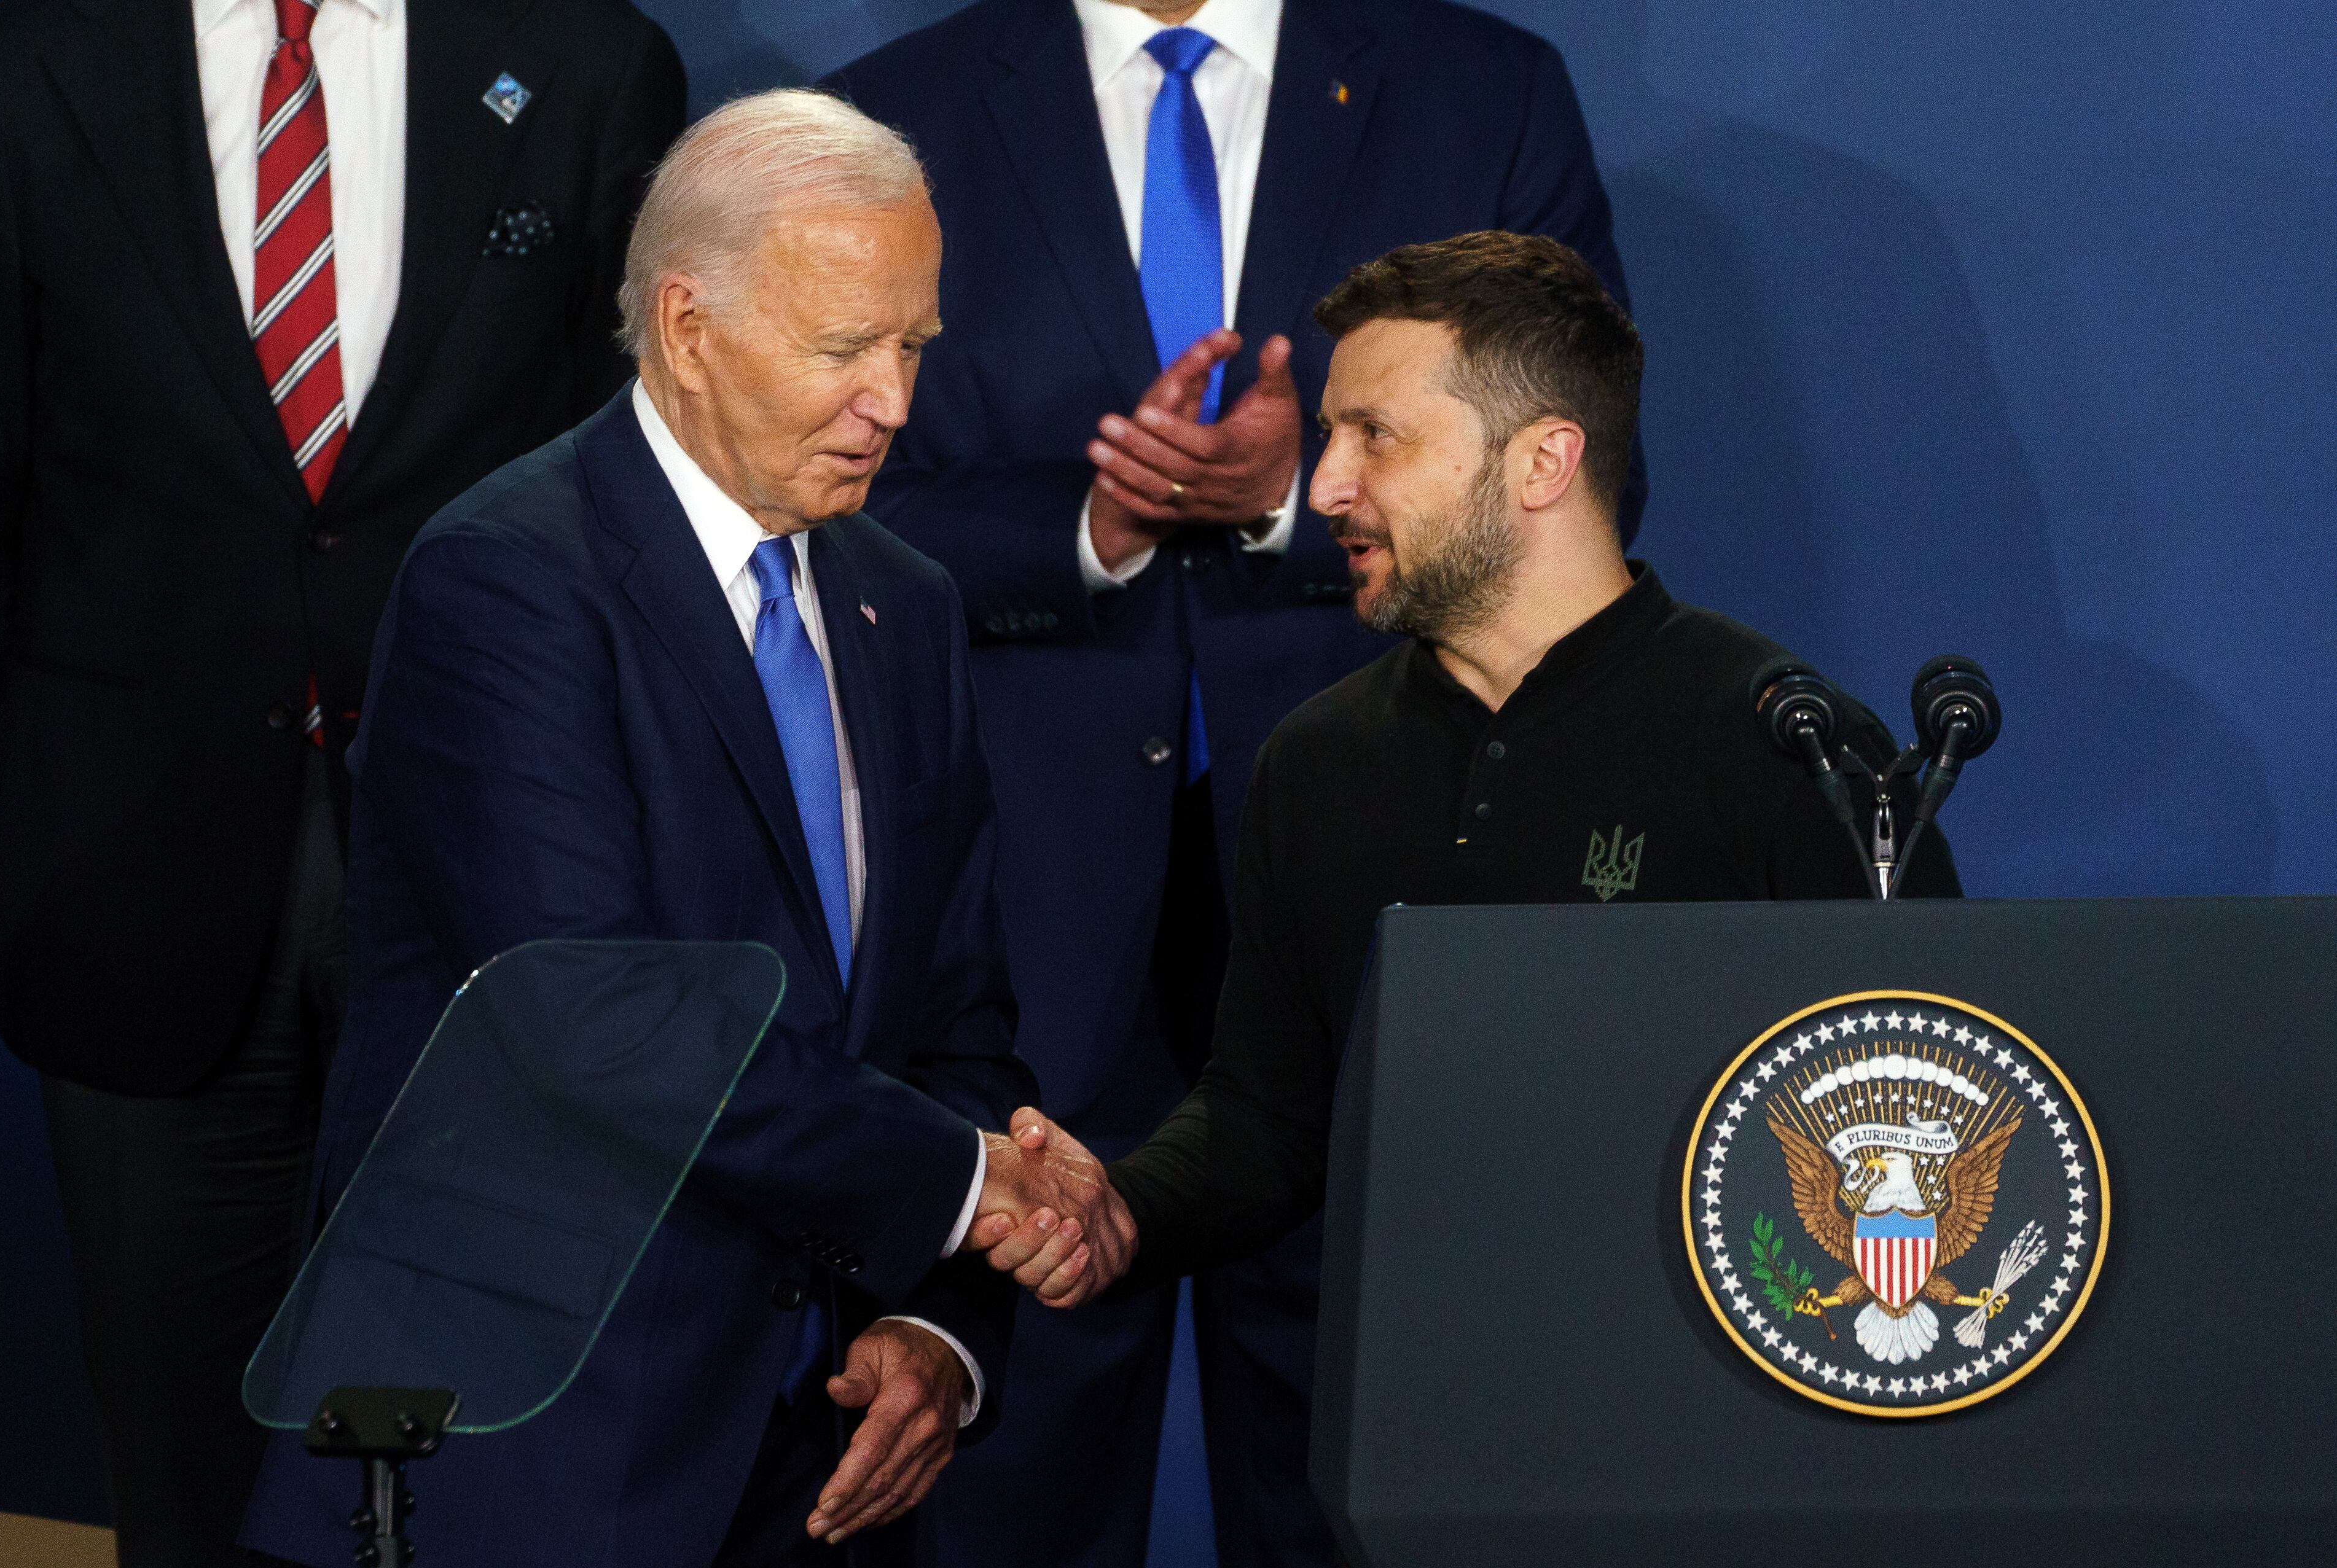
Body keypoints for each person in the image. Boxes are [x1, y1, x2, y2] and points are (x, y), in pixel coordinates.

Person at [234, 90, 1129, 1568]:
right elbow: (596, 1021)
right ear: (688, 328)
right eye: (844, 348)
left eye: (913, 346)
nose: (894, 402)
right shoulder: (507, 582)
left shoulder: (902, 604)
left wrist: (936, 1322)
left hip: (820, 1463)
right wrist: (975, 1187)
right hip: (548, 1461)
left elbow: (956, 1015)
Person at [823, 3, 1641, 1562]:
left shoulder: (1479, 97)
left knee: (1366, 1472)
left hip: (1379, 900)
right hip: (1017, 921)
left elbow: (1583, 482)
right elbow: (818, 494)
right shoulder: (888, 113)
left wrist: (1296, 495)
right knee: (1015, 1472)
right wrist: (1088, 527)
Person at [986, 228, 1962, 1418]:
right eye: (1331, 435)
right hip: (1414, 1435)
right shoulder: (1316, 761)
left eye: (1374, 436)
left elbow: (1931, 1109)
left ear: (1543, 460)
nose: (1323, 486)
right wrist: (1125, 1208)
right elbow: (1268, 1114)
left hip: (1730, 1433)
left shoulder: (1787, 746)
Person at [0, 1, 684, 1559]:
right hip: (129, 882)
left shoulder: (587, 61)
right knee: (184, 1462)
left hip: (492, 878)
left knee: (473, 1457)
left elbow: (633, 495)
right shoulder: (32, 67)